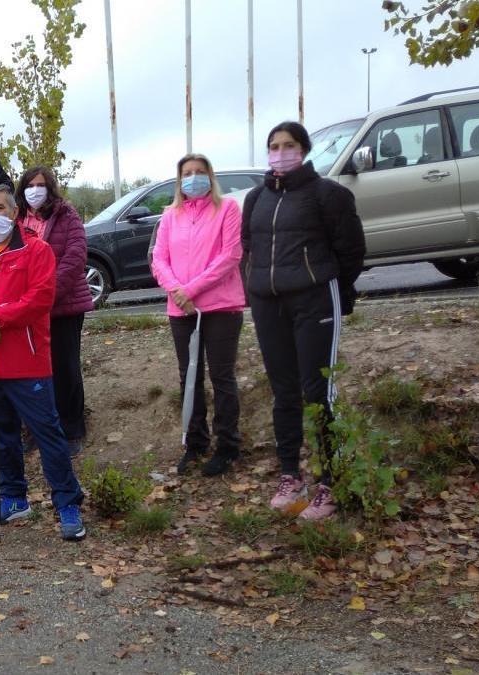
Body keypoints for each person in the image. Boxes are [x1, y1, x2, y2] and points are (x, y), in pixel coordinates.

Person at [0, 186, 87, 540]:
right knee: (2, 437)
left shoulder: (36, 250)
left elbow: (40, 297)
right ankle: (13, 497)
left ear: (13, 213)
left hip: (26, 363)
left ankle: (67, 503)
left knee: (48, 435)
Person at [242, 121, 366, 521]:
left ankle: (332, 481)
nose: (281, 152)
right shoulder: (256, 198)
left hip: (314, 300)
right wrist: (255, 283)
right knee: (284, 389)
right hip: (267, 303)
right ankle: (290, 475)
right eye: (274, 146)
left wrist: (334, 289)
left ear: (304, 149)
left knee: (318, 389)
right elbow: (249, 247)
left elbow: (351, 251)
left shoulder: (328, 195)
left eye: (289, 145)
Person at [150, 154, 245, 477]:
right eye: (187, 174)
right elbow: (159, 259)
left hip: (219, 306)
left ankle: (228, 446)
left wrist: (190, 291)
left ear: (210, 176)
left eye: (200, 172)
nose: (194, 178)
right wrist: (177, 290)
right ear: (180, 181)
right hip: (181, 309)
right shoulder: (170, 215)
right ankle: (195, 442)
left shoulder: (227, 209)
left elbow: (230, 255)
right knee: (188, 375)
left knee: (222, 376)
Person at [14, 166, 93, 454]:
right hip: (27, 312)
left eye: (41, 184)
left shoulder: (66, 215)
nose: (35, 190)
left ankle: (72, 429)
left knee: (64, 368)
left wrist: (44, 296)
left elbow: (75, 257)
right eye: (29, 185)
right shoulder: (16, 219)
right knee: (33, 372)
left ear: (50, 187)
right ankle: (39, 429)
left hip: (62, 307)